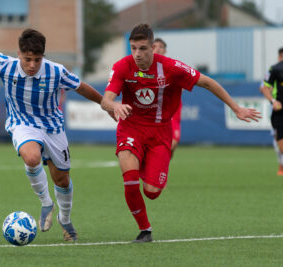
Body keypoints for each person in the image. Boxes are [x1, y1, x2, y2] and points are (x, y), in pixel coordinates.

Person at [101, 24, 261, 243]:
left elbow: (207, 82)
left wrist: (236, 108)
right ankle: (145, 230)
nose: (137, 54)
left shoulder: (171, 67)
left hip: (160, 132)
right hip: (131, 128)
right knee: (129, 181)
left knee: (152, 191)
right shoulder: (122, 66)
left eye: (143, 48)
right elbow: (105, 99)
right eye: (134, 48)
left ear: (152, 48)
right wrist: (114, 105)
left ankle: (146, 162)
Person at [0, 28, 113, 242]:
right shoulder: (6, 65)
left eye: (37, 59)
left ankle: (65, 219)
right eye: (28, 59)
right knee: (32, 157)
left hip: (52, 127)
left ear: (43, 56)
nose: (33, 65)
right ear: (19, 54)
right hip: (22, 123)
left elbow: (81, 87)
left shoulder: (56, 71)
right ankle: (46, 203)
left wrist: (105, 104)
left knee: (62, 180)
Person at [153, 38, 181, 156]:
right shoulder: (145, 69)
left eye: (161, 46)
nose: (157, 49)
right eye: (154, 46)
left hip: (171, 113)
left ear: (165, 51)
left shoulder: (171, 66)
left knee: (172, 144)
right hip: (152, 112)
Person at [260, 47, 283, 175]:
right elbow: (263, 88)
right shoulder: (274, 70)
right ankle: (281, 166)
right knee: (278, 143)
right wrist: (273, 101)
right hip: (277, 109)